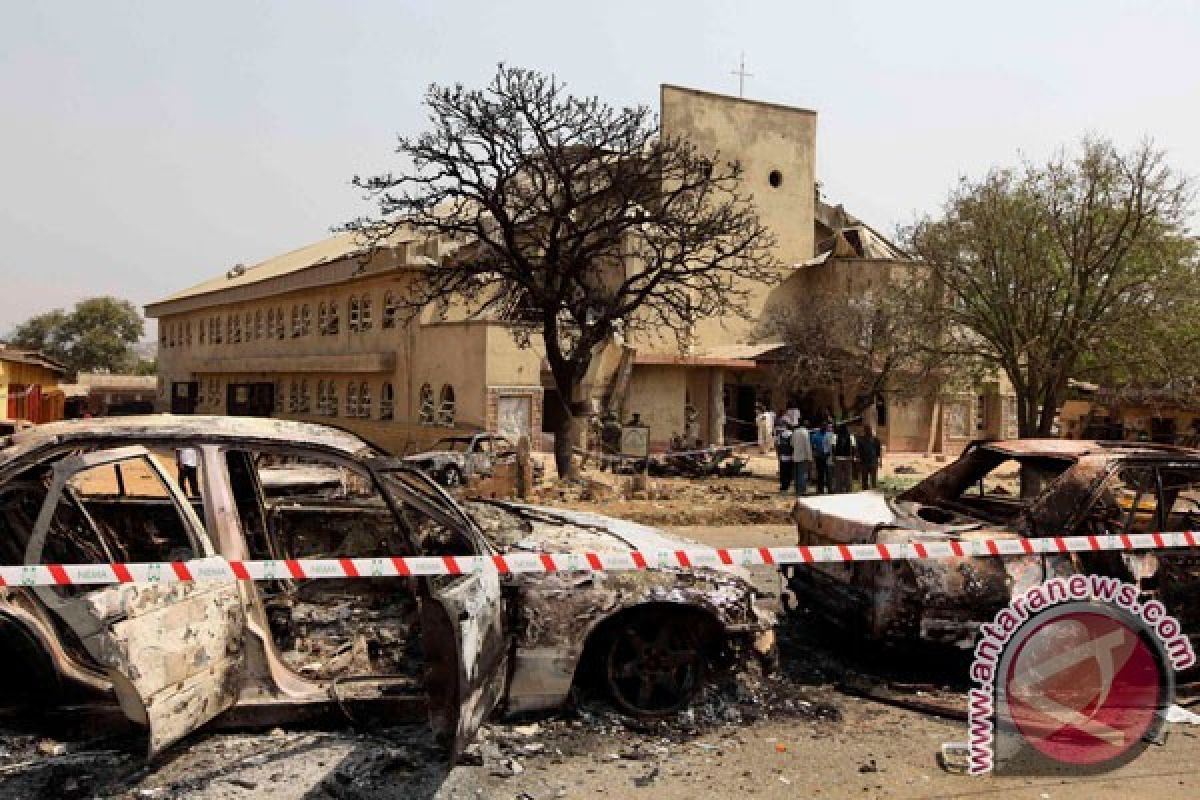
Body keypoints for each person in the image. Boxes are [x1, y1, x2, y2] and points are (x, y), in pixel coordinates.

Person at [832, 423, 856, 493]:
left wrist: (833, 456)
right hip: (848, 458)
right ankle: (848, 490)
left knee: (838, 476)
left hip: (838, 458)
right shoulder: (851, 436)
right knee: (848, 476)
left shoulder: (835, 436)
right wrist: (853, 456)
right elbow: (853, 447)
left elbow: (833, 447)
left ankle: (838, 490)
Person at [791, 420, 813, 496]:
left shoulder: (795, 432)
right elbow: (808, 446)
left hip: (795, 456)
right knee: (802, 474)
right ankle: (802, 490)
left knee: (796, 474)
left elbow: (792, 443)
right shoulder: (806, 433)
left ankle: (797, 489)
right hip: (803, 456)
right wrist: (810, 458)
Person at [811, 422, 834, 494]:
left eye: (825, 426)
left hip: (828, 457)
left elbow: (832, 446)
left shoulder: (830, 435)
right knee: (820, 474)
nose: (824, 427)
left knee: (828, 474)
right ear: (820, 427)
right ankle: (820, 490)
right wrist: (816, 454)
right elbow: (812, 446)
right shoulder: (815, 435)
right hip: (819, 457)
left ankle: (830, 489)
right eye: (823, 426)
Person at [859, 425, 882, 490]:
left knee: (873, 481)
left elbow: (878, 452)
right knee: (864, 481)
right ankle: (865, 494)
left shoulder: (876, 440)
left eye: (869, 430)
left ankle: (872, 494)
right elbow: (859, 452)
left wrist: (880, 461)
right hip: (865, 463)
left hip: (872, 462)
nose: (868, 431)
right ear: (865, 431)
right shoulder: (861, 440)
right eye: (866, 430)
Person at [774, 418, 794, 492]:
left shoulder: (780, 435)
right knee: (788, 472)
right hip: (790, 456)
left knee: (782, 471)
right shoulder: (792, 435)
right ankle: (787, 485)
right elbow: (793, 446)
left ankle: (783, 486)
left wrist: (778, 455)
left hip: (782, 456)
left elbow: (778, 445)